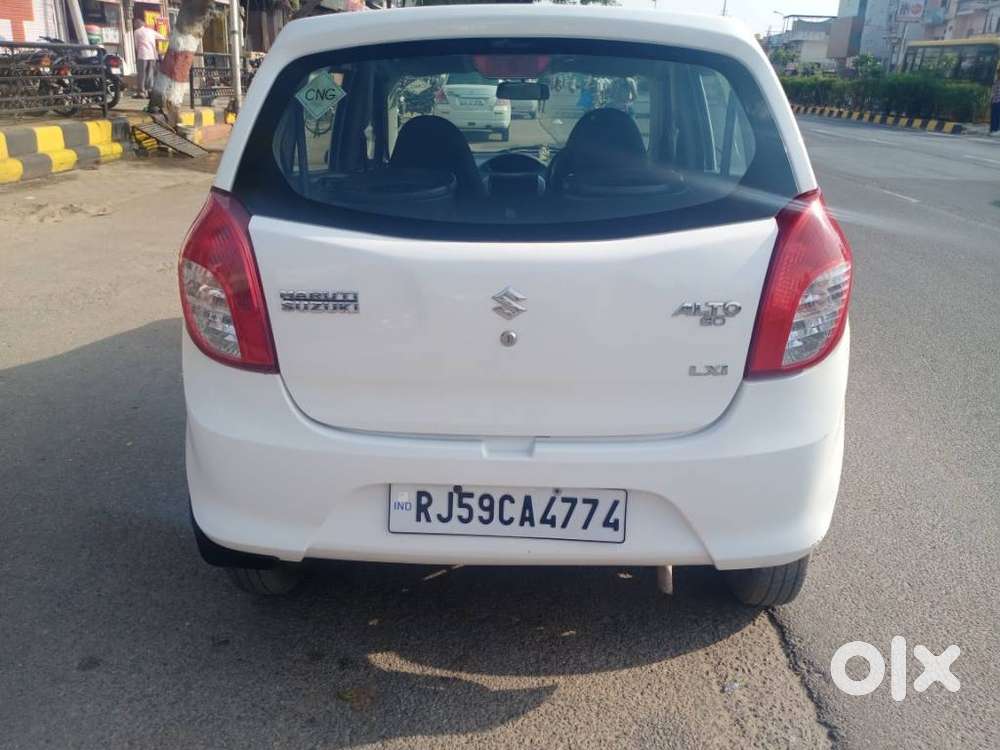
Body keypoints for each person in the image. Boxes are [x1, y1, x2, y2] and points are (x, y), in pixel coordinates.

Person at [133, 17, 165, 98]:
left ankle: (141, 92)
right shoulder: (151, 31)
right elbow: (162, 37)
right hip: (153, 55)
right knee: (150, 73)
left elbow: (136, 45)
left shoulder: (136, 32)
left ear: (137, 24)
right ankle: (150, 90)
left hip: (143, 54)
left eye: (135, 24)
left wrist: (137, 52)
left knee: (142, 74)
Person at [991, 65, 1000, 135]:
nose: (998, 74)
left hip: (999, 100)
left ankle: (997, 130)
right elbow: (993, 91)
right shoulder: (996, 81)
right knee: (994, 115)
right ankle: (993, 129)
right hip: (994, 100)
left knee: (997, 116)